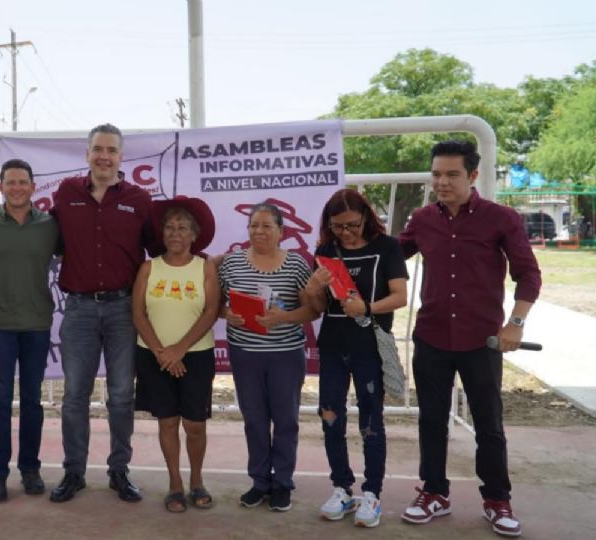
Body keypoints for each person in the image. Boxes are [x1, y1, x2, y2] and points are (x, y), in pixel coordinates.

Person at [399, 140, 541, 537]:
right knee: (430, 421)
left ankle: (497, 500)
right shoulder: (423, 219)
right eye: (436, 175)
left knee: (489, 425)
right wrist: (346, 247)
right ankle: (434, 493)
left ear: (473, 176)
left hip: (483, 341)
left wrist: (515, 322)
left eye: (451, 174)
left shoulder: (501, 219)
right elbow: (393, 255)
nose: (441, 182)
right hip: (431, 337)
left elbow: (528, 274)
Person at [49, 123, 154, 503]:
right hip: (77, 309)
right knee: (75, 395)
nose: (104, 156)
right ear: (87, 154)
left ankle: (119, 470)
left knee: (122, 395)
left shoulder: (139, 199)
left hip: (124, 309)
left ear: (121, 157)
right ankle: (73, 471)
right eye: (98, 149)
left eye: (111, 150)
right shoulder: (66, 193)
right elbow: (47, 235)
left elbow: (159, 252)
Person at [302, 188, 408, 528]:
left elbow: (400, 297)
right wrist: (313, 287)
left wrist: (367, 308)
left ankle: (372, 493)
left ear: (366, 216)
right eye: (338, 227)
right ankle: (341, 487)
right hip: (333, 345)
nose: (346, 233)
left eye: (352, 225)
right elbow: (316, 307)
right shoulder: (324, 250)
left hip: (370, 346)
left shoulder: (387, 247)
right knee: (330, 416)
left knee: (370, 421)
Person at [0, 159, 59, 503]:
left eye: (23, 182)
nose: (17, 187)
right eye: (10, 182)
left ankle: (30, 469)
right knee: (0, 401)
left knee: (32, 401)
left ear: (33, 187)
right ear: (1, 187)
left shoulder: (50, 225)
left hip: (36, 324)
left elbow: (75, 253)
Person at [217, 202, 318, 512]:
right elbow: (216, 304)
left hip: (285, 355)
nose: (258, 232)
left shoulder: (297, 265)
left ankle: (283, 483)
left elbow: (314, 309)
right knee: (255, 421)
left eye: (266, 226)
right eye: (253, 226)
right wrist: (227, 315)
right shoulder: (232, 263)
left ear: (281, 232)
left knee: (286, 421)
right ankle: (260, 482)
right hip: (245, 354)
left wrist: (283, 318)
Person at [132, 196, 219, 513]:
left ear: (194, 235)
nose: (175, 233)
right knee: (167, 423)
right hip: (154, 357)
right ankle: (175, 484)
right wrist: (162, 352)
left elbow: (210, 312)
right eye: (169, 227)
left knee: (195, 425)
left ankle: (197, 481)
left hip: (195, 357)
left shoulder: (205, 267)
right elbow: (138, 315)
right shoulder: (148, 267)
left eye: (183, 227)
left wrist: (179, 350)